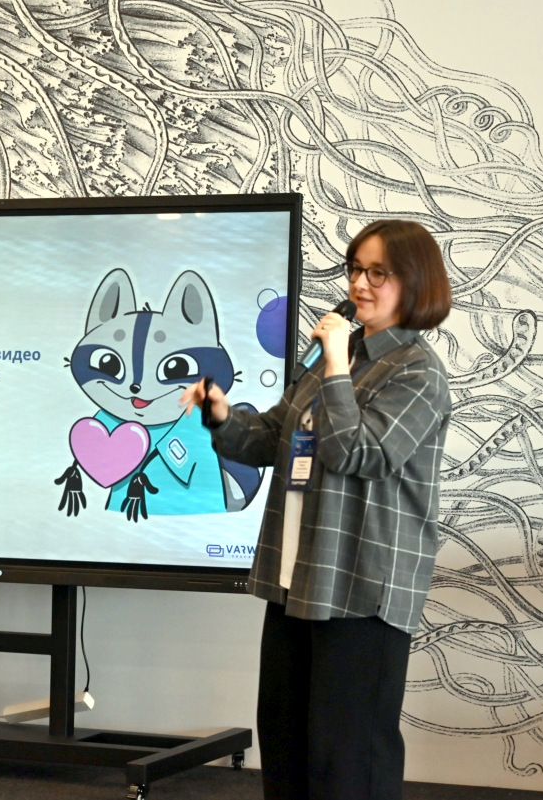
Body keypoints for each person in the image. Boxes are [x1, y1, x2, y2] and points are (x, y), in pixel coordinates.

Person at [179, 219, 453, 800]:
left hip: (361, 591)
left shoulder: (417, 371)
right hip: (297, 582)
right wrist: (221, 415)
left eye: (378, 272)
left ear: (414, 282)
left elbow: (359, 453)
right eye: (355, 269)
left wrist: (335, 369)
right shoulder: (334, 357)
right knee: (286, 745)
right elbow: (272, 438)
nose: (359, 283)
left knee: (347, 761)